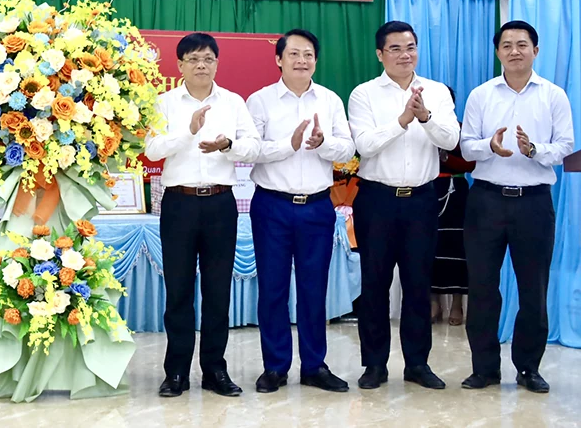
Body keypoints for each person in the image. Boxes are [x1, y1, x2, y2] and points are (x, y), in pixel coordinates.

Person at [460, 21, 574, 393]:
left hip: (534, 204)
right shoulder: (481, 94)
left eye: (522, 44)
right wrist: (488, 147)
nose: (514, 51)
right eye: (506, 45)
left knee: (533, 289)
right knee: (482, 288)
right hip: (487, 201)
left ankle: (528, 368)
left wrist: (535, 151)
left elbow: (565, 147)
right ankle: (485, 369)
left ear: (535, 51)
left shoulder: (554, 95)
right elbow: (465, 146)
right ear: (498, 53)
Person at [145, 32, 261, 398]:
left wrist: (227, 145)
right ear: (178, 65)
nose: (201, 65)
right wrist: (187, 132)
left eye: (208, 58)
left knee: (217, 292)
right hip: (178, 204)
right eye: (193, 59)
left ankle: (215, 370)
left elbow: (253, 146)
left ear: (217, 63)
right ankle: (176, 372)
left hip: (220, 205)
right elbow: (151, 148)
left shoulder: (233, 102)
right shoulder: (163, 102)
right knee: (178, 291)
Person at [347, 21, 459, 390]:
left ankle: (417, 364)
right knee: (375, 284)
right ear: (380, 54)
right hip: (377, 200)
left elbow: (452, 137)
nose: (404, 54)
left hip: (422, 201)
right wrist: (402, 121)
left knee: (417, 284)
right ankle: (375, 365)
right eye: (395, 48)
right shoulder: (364, 94)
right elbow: (364, 144)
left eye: (410, 47)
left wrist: (424, 116)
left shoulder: (437, 92)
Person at [246, 30, 355, 394]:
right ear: (278, 60)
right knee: (273, 290)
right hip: (272, 206)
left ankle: (314, 366)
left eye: (308, 54)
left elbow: (348, 147)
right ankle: (275, 367)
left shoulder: (329, 99)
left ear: (315, 60)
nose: (301, 60)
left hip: (317, 207)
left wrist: (322, 144)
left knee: (313, 289)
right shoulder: (260, 101)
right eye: (293, 54)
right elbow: (250, 150)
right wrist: (287, 145)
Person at [430, 86, 475, 326]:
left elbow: (472, 163)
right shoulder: (419, 127)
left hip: (455, 192)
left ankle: (457, 304)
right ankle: (433, 302)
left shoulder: (459, 128)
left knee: (457, 248)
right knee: (428, 248)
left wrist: (447, 158)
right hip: (425, 191)